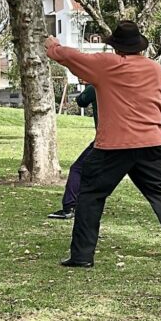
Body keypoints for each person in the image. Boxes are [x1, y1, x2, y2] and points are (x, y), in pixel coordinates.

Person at [45, 20, 161, 267]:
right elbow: (160, 105)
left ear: (116, 47)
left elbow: (71, 56)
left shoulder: (107, 65)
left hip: (113, 147)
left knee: (91, 195)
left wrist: (53, 45)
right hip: (150, 142)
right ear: (139, 46)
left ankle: (82, 256)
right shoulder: (156, 69)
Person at [48, 83, 98, 220]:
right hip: (138, 140)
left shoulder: (98, 84)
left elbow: (81, 101)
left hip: (105, 141)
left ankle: (69, 207)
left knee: (78, 169)